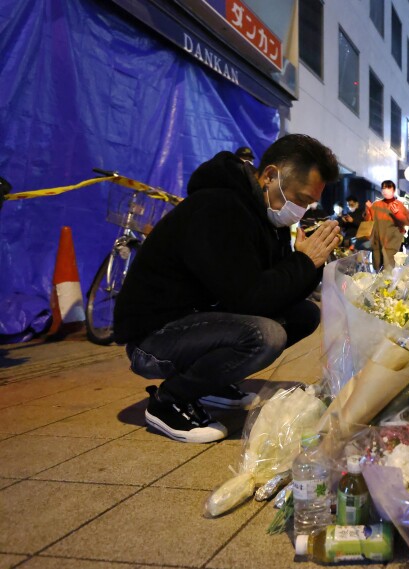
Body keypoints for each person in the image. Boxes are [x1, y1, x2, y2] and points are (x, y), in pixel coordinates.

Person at [114, 134, 342, 443]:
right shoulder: (218, 207)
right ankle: (169, 401)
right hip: (153, 339)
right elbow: (250, 297)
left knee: (303, 315)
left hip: (198, 321)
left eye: (309, 204)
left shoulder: (265, 219)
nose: (301, 211)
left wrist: (309, 263)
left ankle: (212, 383)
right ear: (270, 176)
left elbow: (277, 289)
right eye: (300, 199)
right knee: (265, 335)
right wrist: (304, 261)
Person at [366, 180, 409, 270]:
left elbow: (406, 221)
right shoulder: (376, 205)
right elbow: (369, 223)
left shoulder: (399, 205)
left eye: (388, 187)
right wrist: (368, 212)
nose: (386, 190)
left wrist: (398, 213)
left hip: (392, 242)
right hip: (377, 242)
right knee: (377, 266)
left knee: (389, 267)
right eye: (383, 188)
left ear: (393, 190)